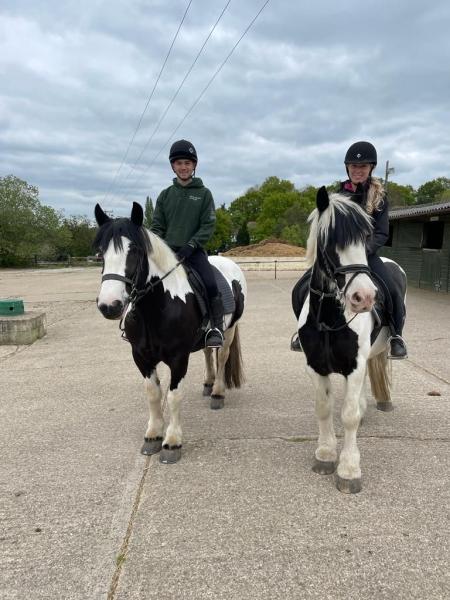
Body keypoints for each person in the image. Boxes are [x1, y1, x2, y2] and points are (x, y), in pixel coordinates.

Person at [291, 140, 408, 359]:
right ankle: (303, 331)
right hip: (338, 257)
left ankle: (396, 336)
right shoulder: (338, 195)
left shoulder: (379, 198)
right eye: (354, 166)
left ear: (370, 168)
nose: (358, 170)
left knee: (392, 290)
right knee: (301, 288)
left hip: (366, 255)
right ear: (347, 168)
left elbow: (382, 233)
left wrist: (362, 251)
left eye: (362, 166)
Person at [150, 139, 224, 348]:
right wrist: (160, 248)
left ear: (194, 166)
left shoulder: (204, 194)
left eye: (187, 163)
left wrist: (191, 246)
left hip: (193, 252)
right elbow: (157, 226)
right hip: (167, 252)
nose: (183, 167)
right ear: (173, 166)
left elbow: (207, 225)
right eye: (179, 163)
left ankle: (215, 328)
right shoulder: (165, 195)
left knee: (210, 283)